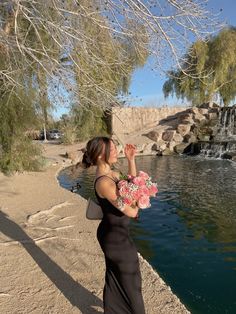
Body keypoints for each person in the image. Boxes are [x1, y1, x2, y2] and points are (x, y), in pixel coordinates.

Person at [82, 136, 145, 314]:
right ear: (101, 156)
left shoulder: (113, 174)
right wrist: (141, 198)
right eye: (112, 149)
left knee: (115, 276)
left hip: (115, 232)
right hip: (115, 239)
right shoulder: (104, 182)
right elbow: (131, 212)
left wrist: (131, 159)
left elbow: (132, 184)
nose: (116, 150)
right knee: (132, 282)